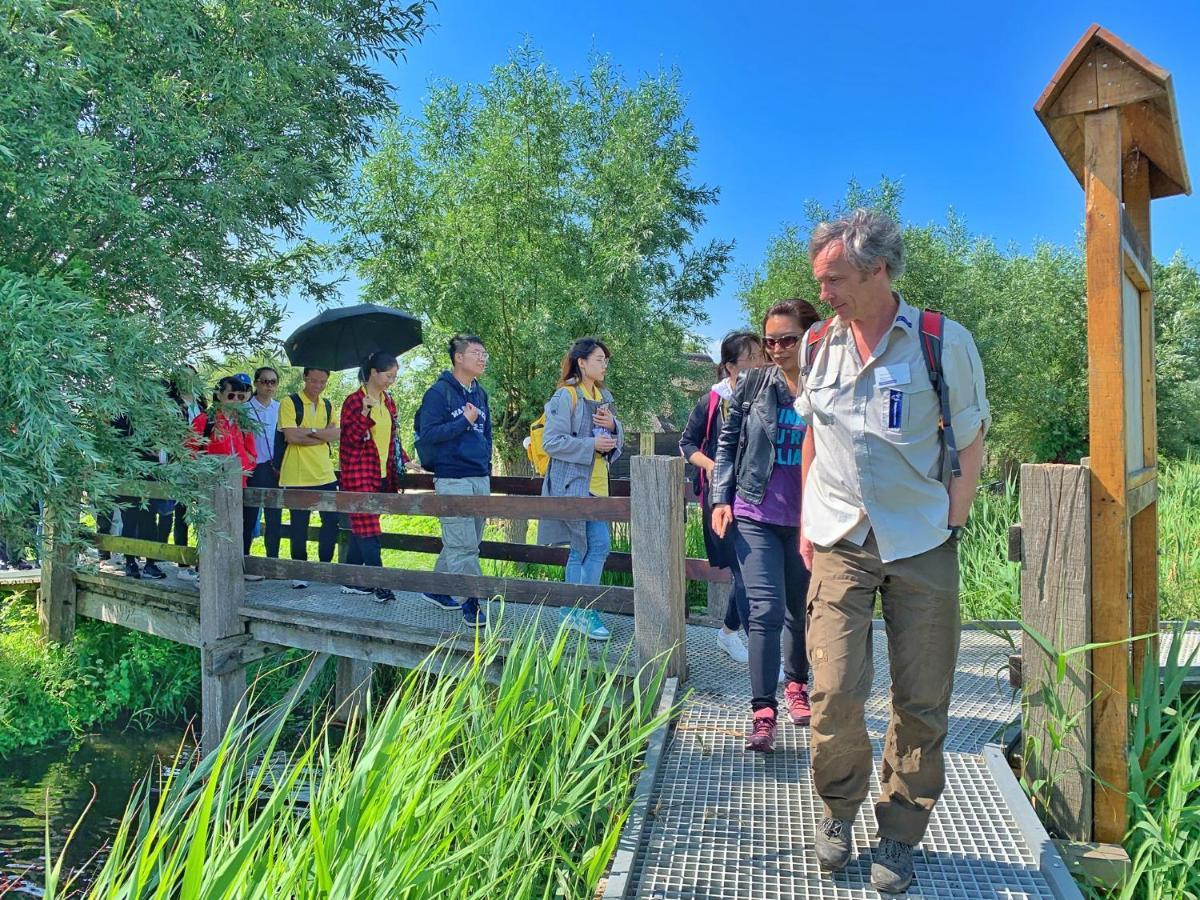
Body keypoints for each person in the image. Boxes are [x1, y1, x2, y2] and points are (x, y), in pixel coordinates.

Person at [798, 210, 990, 893]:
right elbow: (814, 435)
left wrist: (953, 523)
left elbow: (969, 441)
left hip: (921, 540)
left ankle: (900, 832)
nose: (824, 293)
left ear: (879, 271)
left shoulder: (942, 342)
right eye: (821, 279)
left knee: (922, 699)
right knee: (832, 691)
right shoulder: (818, 344)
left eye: (836, 278)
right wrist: (805, 520)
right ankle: (838, 809)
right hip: (839, 541)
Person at [711, 299, 819, 754]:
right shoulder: (754, 384)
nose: (776, 349)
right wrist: (721, 496)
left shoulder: (829, 383)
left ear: (810, 337)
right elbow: (727, 443)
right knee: (766, 610)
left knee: (799, 609)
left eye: (787, 339)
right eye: (770, 340)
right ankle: (763, 711)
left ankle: (797, 686)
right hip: (754, 511)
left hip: (810, 518)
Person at [679, 331, 766, 665]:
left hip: (762, 498)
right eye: (751, 357)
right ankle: (758, 651)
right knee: (745, 573)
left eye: (761, 355)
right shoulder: (713, 401)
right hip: (724, 500)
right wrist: (716, 465)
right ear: (730, 367)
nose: (761, 362)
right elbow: (687, 444)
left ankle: (729, 634)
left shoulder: (772, 394)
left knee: (752, 573)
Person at [538, 337, 624, 641]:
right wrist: (592, 444)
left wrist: (613, 429)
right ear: (582, 362)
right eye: (599, 359)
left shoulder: (603, 396)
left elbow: (615, 443)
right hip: (574, 485)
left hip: (599, 485)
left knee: (589, 547)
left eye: (605, 360)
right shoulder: (566, 397)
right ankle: (582, 610)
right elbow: (551, 443)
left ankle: (572, 610)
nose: (604, 364)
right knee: (591, 546)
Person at [413, 334, 492, 626]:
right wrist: (463, 422)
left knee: (467, 540)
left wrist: (487, 466)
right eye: (476, 353)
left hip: (478, 476)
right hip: (452, 477)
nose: (482, 358)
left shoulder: (479, 393)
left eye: (484, 354)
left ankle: (436, 589)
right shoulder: (438, 393)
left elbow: (486, 433)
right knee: (464, 546)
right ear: (459, 358)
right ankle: (471, 602)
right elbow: (430, 434)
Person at [338, 351, 423, 609]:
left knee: (362, 525)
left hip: (382, 472)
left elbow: (391, 436)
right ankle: (380, 584)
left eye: (395, 376)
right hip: (358, 472)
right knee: (369, 528)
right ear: (373, 373)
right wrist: (364, 413)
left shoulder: (388, 401)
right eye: (388, 375)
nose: (392, 380)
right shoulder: (353, 402)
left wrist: (405, 458)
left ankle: (350, 579)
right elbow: (350, 440)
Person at [186, 375, 259, 581]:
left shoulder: (243, 423)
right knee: (212, 530)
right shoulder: (204, 420)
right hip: (212, 486)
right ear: (219, 395)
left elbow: (252, 452)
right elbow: (189, 451)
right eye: (230, 395)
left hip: (239, 483)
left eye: (240, 396)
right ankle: (205, 575)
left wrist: (246, 464)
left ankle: (236, 572)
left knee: (239, 528)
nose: (235, 399)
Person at [278, 367, 341, 588]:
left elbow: (336, 434)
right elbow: (291, 436)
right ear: (305, 378)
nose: (318, 385)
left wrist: (309, 432)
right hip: (297, 474)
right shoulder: (290, 402)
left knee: (331, 522)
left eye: (322, 382)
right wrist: (320, 435)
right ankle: (300, 570)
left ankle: (324, 567)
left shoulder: (328, 404)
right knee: (298, 525)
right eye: (314, 381)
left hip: (325, 472)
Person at [243, 366, 282, 558]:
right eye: (265, 381)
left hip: (275, 468)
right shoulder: (244, 409)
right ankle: (244, 559)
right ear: (256, 383)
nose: (269, 385)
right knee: (249, 517)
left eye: (273, 382)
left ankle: (272, 561)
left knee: (274, 518)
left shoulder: (281, 408)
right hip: (253, 468)